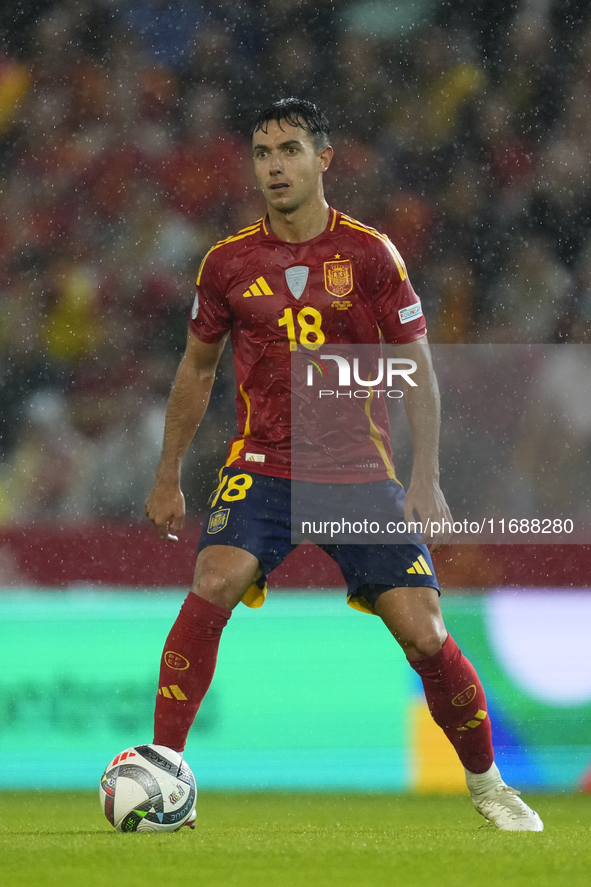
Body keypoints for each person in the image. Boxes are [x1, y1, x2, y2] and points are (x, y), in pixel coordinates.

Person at [145, 98, 543, 831]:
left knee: (423, 631)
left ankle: (490, 785)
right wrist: (168, 471)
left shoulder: (368, 254)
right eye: (263, 152)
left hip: (359, 473)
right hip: (263, 463)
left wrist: (423, 476)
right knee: (214, 579)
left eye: (289, 149)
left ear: (322, 159)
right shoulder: (226, 263)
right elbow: (197, 369)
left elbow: (415, 365)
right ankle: (162, 768)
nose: (274, 165)